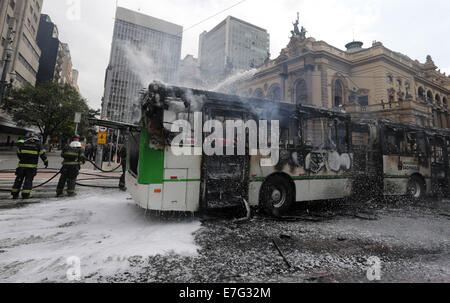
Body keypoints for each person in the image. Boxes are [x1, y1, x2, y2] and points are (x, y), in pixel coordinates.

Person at [11, 133, 48, 199]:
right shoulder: (38, 144)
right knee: (28, 181)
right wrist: (46, 162)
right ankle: (25, 195)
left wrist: (22, 159)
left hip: (21, 166)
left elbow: (18, 153)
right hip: (31, 167)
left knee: (18, 180)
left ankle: (14, 194)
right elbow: (43, 154)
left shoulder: (23, 143)